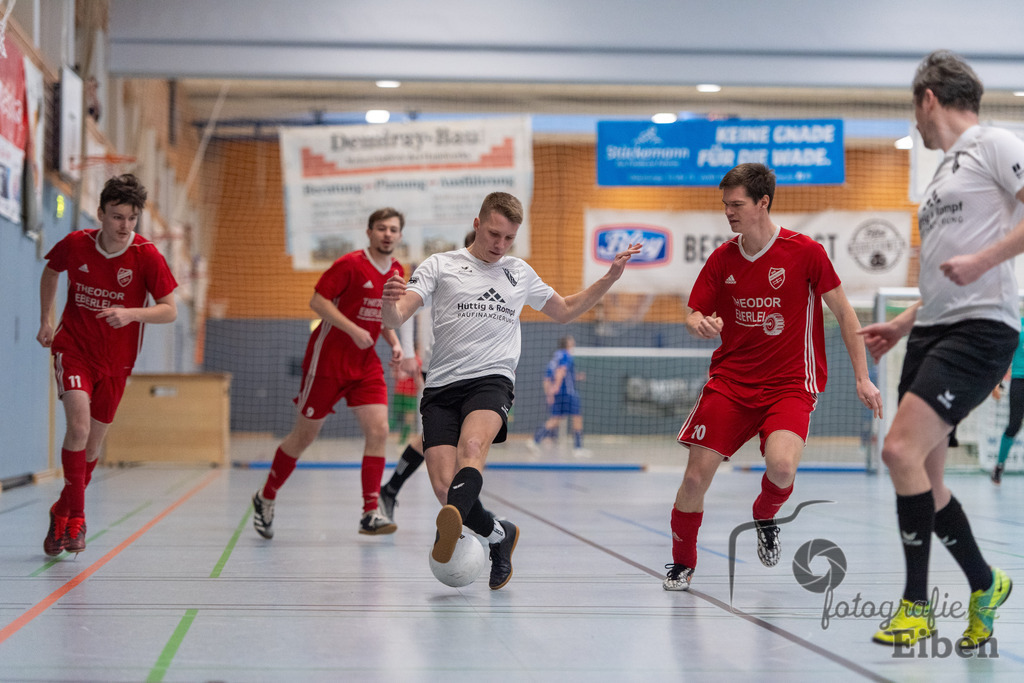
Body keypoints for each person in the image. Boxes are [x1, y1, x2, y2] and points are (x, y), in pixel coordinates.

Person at [382, 192, 640, 590]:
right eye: (493, 233)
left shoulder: (519, 273)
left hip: (491, 380)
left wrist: (609, 278)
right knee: (442, 486)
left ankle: (459, 526)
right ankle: (500, 534)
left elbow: (565, 310)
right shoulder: (441, 265)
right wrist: (388, 305)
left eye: (508, 238)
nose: (499, 245)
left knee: (472, 449)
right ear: (477, 223)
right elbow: (399, 313)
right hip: (441, 384)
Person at [859, 50, 1024, 649]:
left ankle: (916, 606)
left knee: (898, 450)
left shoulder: (994, 144)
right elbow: (939, 276)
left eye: (915, 109)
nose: (917, 124)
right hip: (932, 331)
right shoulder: (943, 174)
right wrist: (904, 323)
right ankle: (985, 584)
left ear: (928, 98)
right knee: (927, 479)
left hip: (983, 329)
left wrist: (985, 260)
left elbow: (975, 264)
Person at [664, 162, 882, 592]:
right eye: (725, 205)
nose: (729, 212)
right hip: (731, 382)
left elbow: (844, 311)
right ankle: (681, 562)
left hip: (790, 384)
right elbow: (694, 314)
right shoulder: (722, 258)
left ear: (763, 203)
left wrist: (863, 377)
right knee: (693, 478)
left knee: (782, 467)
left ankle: (765, 515)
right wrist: (698, 324)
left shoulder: (805, 252)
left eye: (737, 204)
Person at [38, 173, 178, 556]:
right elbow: (50, 271)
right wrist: (46, 321)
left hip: (116, 362)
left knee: (92, 446)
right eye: (117, 217)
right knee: (79, 427)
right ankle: (79, 520)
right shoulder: (76, 245)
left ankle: (61, 510)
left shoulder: (146, 255)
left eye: (132, 218)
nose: (125, 226)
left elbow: (169, 311)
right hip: (75, 348)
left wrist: (131, 313)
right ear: (100, 213)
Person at [251, 208, 407, 539]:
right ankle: (265, 497)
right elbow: (318, 301)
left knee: (379, 430)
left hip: (365, 366)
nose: (388, 234)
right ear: (369, 232)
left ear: (400, 236)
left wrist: (392, 341)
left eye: (394, 229)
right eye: (382, 228)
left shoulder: (396, 271)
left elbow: (382, 315)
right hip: (327, 363)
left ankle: (370, 511)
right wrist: (352, 330)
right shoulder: (350, 264)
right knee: (304, 437)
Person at [378, 230, 477, 521]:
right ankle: (462, 509)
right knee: (440, 436)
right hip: (437, 367)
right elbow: (407, 309)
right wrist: (408, 354)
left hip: (466, 370)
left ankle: (395, 489)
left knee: (446, 437)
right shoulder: (446, 272)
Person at [530, 335, 588, 457]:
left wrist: (550, 393)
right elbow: (561, 372)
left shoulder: (554, 358)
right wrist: (556, 386)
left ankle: (535, 440)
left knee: (555, 419)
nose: (573, 341)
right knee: (577, 417)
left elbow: (547, 378)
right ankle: (578, 448)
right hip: (568, 393)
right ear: (567, 343)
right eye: (571, 339)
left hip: (558, 393)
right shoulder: (566, 355)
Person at [992, 317, 1024, 484]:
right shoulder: (1018, 324)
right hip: (1019, 379)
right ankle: (999, 465)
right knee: (1014, 425)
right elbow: (1005, 352)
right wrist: (997, 382)